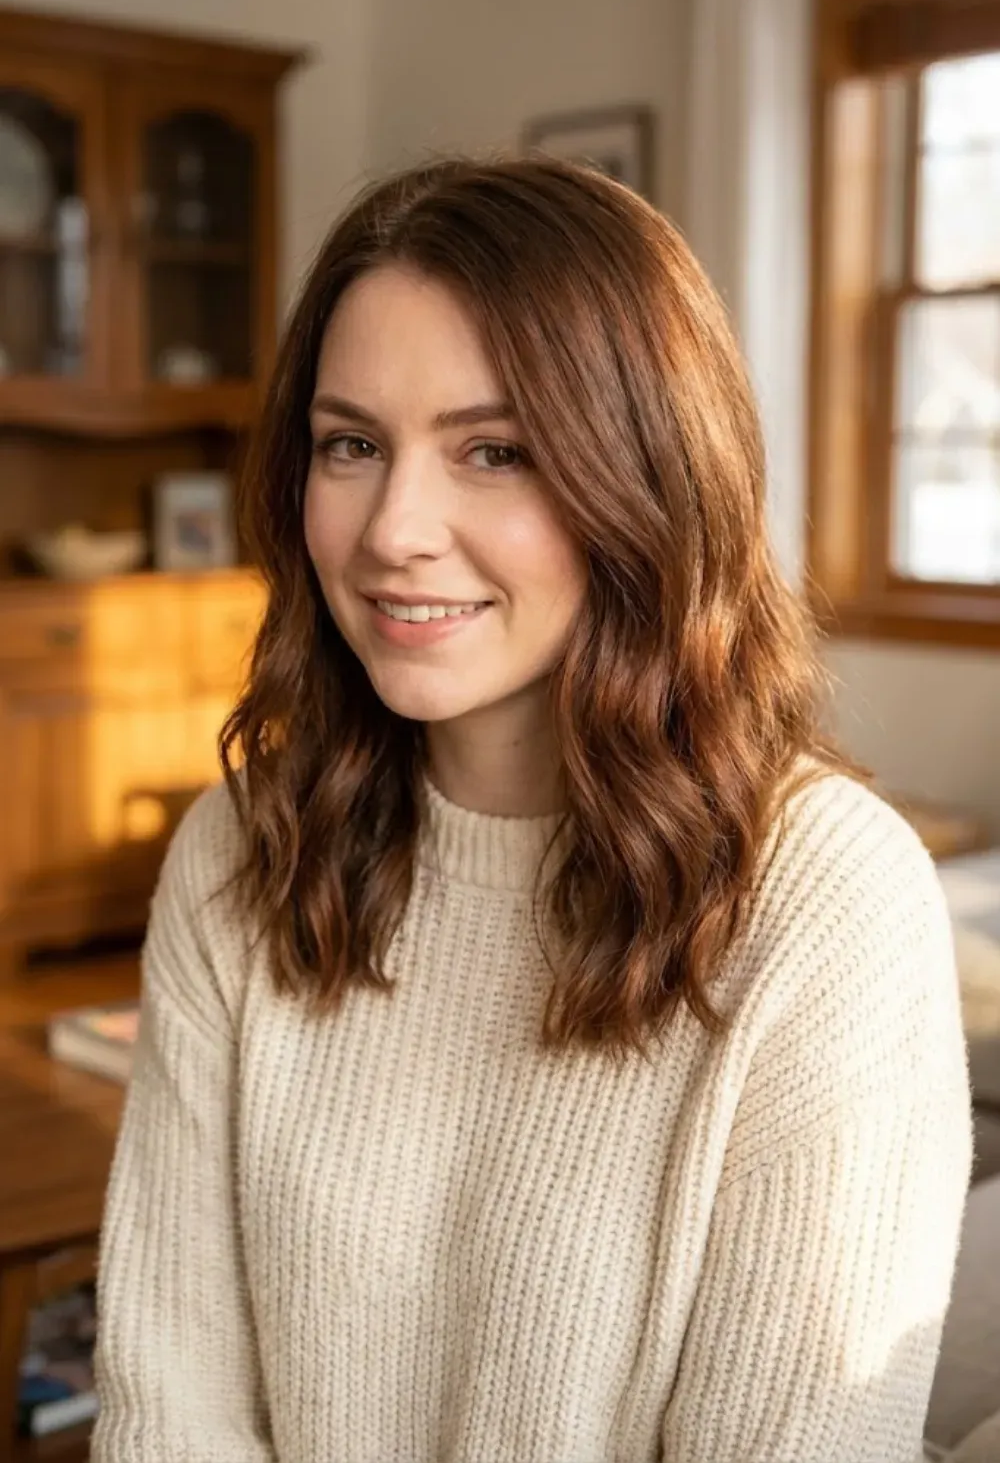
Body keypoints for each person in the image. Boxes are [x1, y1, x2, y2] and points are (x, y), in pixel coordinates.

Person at [91, 156, 972, 1463]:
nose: (396, 527)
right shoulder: (240, 854)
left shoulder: (827, 902)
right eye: (351, 445)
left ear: (647, 476)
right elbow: (168, 1419)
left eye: (493, 451)